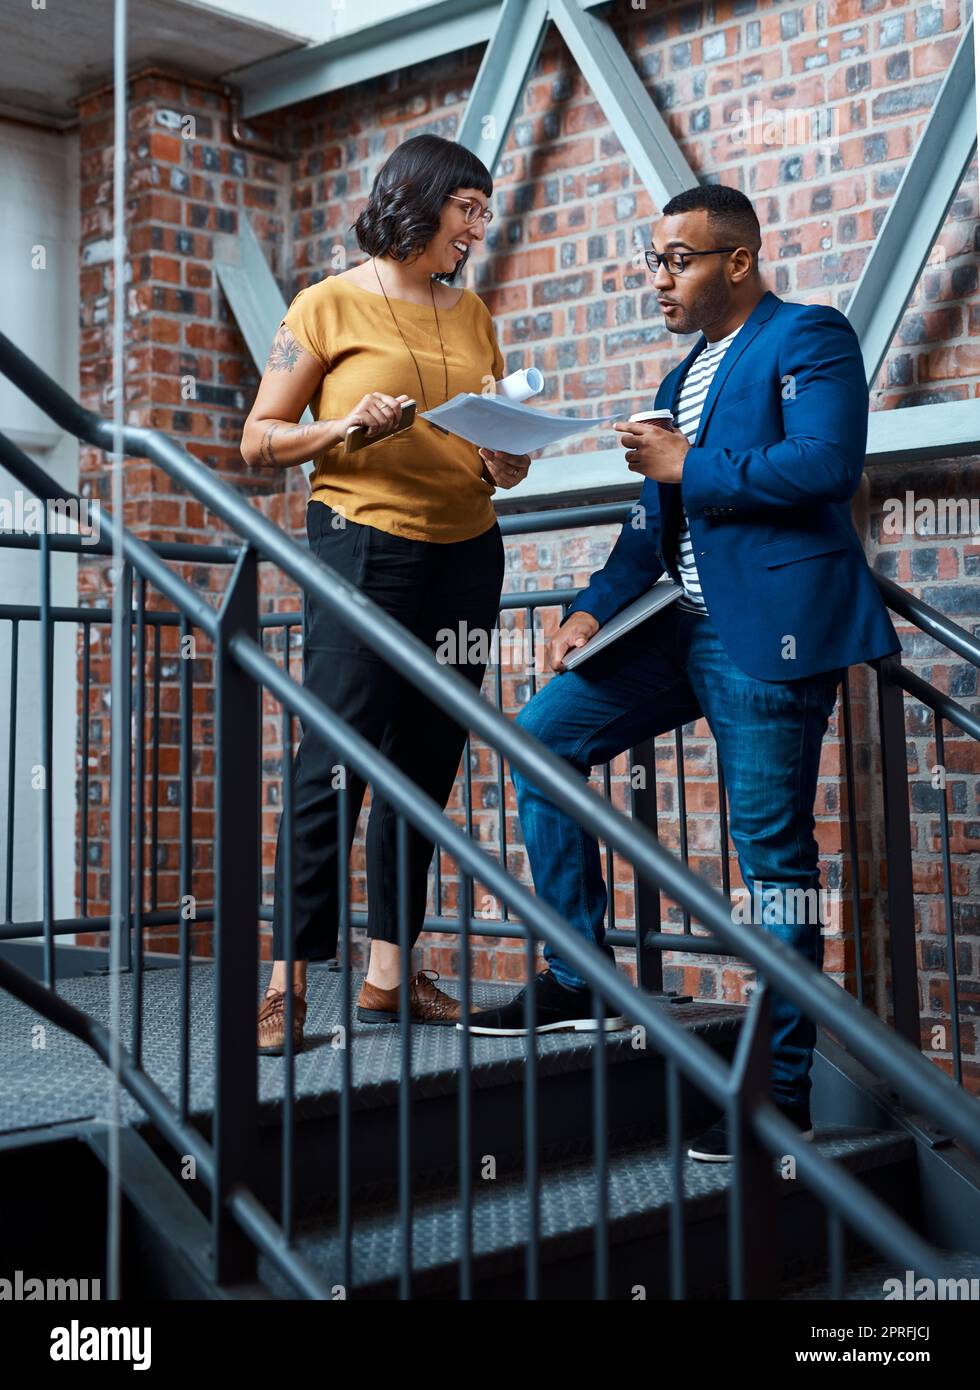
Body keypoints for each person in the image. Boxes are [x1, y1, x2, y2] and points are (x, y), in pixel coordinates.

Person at [460, 185, 902, 1162]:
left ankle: (781, 1094)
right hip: (676, 629)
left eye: (678, 260)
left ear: (735, 262)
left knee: (773, 863)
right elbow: (647, 528)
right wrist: (587, 606)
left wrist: (683, 460)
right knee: (538, 741)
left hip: (772, 634)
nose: (657, 278)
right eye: (651, 259)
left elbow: (824, 464)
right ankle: (577, 972)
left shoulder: (807, 338)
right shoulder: (679, 372)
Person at [240, 134, 532, 1054]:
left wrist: (507, 456)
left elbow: (502, 461)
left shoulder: (473, 312)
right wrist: (339, 427)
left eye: (486, 213)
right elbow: (258, 441)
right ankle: (285, 983)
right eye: (469, 210)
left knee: (424, 768)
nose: (478, 228)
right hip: (363, 547)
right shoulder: (326, 304)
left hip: (467, 553)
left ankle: (388, 975)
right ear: (421, 199)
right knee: (334, 760)